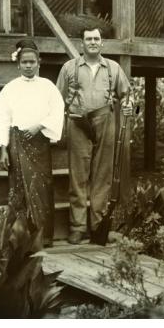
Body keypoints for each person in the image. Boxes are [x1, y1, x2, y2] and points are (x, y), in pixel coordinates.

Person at [0, 39, 64, 248]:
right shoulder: (10, 89)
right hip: (17, 144)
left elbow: (56, 111)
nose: (28, 66)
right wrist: (3, 150)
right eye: (24, 62)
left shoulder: (48, 87)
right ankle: (19, 235)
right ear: (18, 64)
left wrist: (39, 126)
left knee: (42, 187)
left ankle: (43, 235)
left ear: (39, 63)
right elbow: (2, 119)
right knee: (18, 188)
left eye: (32, 62)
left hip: (39, 143)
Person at [56, 27, 133, 245]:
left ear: (102, 43)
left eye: (96, 39)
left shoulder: (113, 68)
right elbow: (57, 98)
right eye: (88, 38)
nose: (92, 42)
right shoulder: (69, 68)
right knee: (78, 175)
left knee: (102, 175)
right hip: (77, 122)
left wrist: (128, 104)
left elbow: (127, 94)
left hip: (105, 120)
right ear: (82, 43)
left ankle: (98, 225)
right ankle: (77, 227)